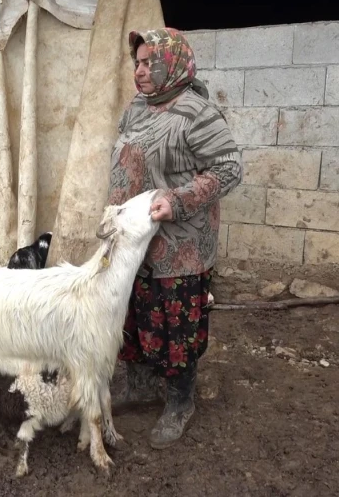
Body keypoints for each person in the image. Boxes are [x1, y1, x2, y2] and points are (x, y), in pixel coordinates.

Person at [107, 27, 243, 449]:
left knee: (176, 323)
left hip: (180, 244)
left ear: (173, 62)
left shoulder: (199, 113)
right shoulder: (137, 107)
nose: (141, 71)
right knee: (136, 311)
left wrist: (179, 201)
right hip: (136, 238)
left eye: (150, 63)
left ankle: (180, 401)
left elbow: (228, 169)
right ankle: (141, 385)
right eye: (138, 63)